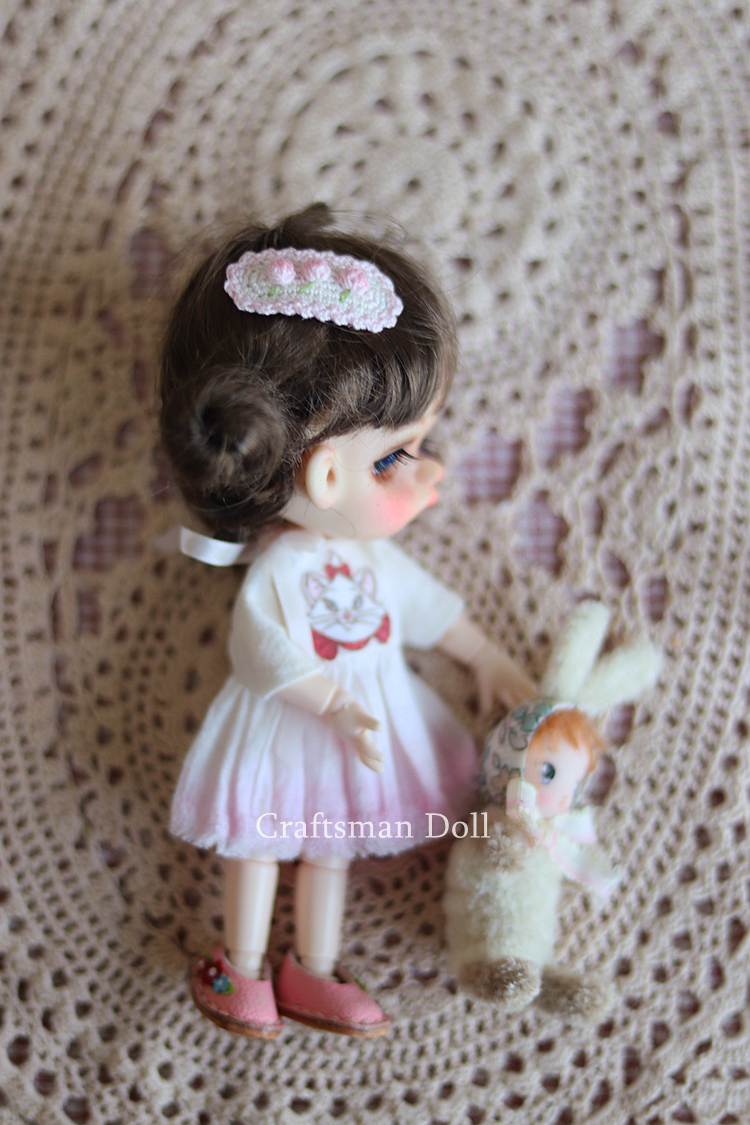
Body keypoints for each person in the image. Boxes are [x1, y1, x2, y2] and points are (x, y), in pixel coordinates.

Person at [159, 202, 536, 1039]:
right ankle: (241, 962)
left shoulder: (370, 560)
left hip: (353, 730)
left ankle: (313, 966)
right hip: (290, 722)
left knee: (329, 845)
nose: (432, 472)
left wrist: (483, 657)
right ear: (326, 476)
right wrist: (330, 700)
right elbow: (257, 645)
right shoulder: (281, 568)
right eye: (398, 456)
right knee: (260, 842)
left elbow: (427, 609)